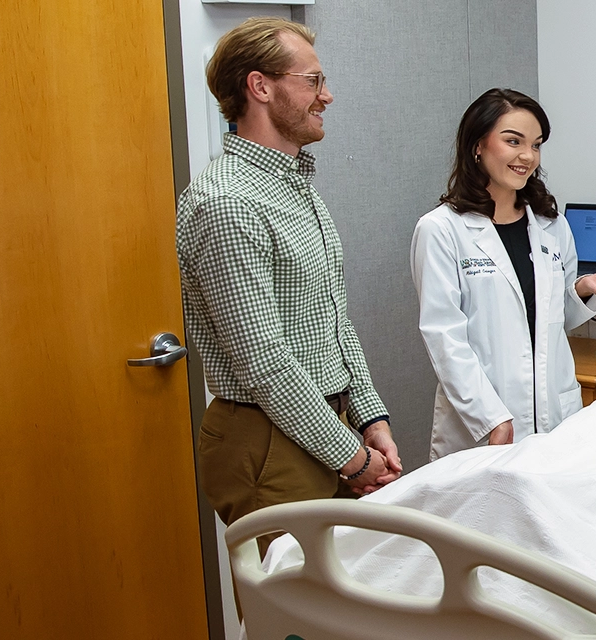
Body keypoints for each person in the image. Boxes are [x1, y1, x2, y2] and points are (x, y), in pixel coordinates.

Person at [177, 17, 399, 525]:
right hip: (269, 440)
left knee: (348, 575)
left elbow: (333, 319)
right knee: (294, 582)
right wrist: (351, 456)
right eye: (313, 81)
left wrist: (369, 416)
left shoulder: (293, 187)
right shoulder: (228, 202)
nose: (327, 96)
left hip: (325, 423)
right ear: (260, 86)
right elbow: (264, 362)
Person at [411, 88, 596, 460]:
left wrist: (583, 289)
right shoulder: (441, 230)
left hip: (555, 416)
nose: (527, 156)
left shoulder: (551, 225)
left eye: (536, 145)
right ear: (477, 145)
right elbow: (444, 338)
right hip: (486, 423)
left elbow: (555, 320)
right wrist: (489, 416)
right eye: (513, 141)